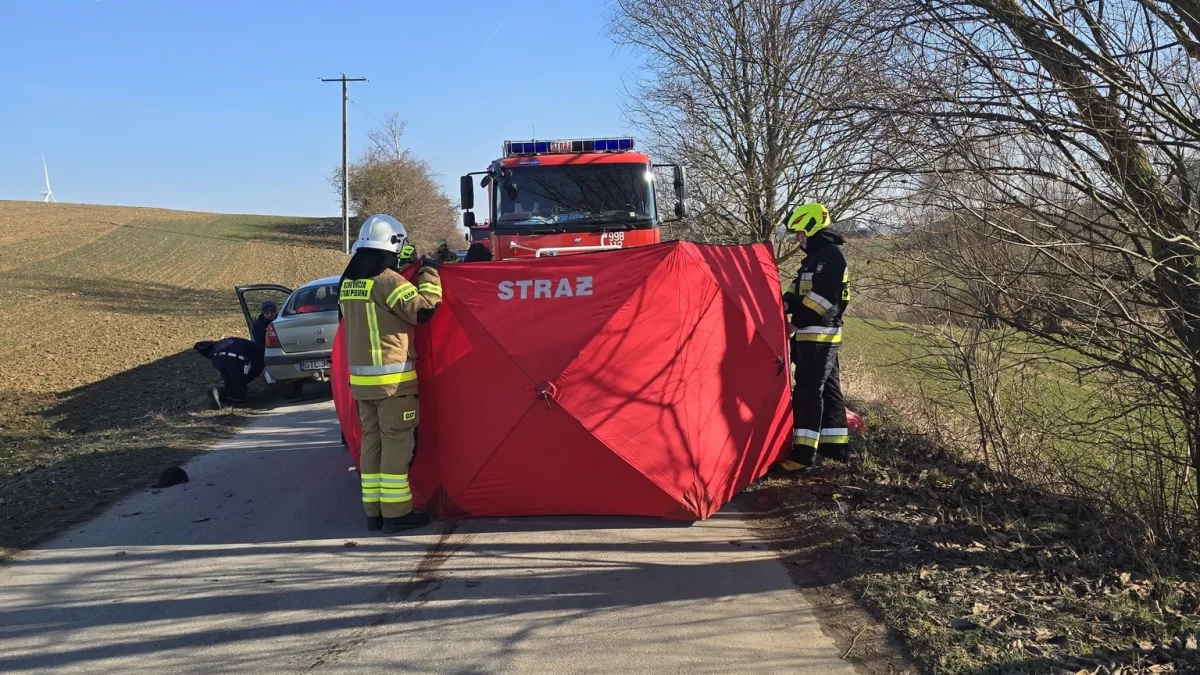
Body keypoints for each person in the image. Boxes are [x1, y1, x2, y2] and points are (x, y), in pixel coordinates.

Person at [339, 214, 443, 534]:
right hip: (393, 383)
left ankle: (375, 512)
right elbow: (424, 309)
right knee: (397, 444)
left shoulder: (348, 283)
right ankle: (397, 514)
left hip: (362, 384)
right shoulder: (388, 281)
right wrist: (429, 272)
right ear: (392, 246)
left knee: (371, 444)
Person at [778, 202, 851, 474]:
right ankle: (834, 447)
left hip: (819, 334)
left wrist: (794, 324)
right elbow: (796, 293)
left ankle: (803, 456)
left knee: (808, 392)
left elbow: (822, 299)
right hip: (814, 334)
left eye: (799, 233)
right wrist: (777, 306)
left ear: (811, 229)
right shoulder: (813, 259)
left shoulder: (830, 258)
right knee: (830, 390)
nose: (797, 239)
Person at [193, 336, 265, 410]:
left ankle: (219, 393)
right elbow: (258, 367)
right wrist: (245, 380)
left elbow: (199, 346)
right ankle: (222, 394)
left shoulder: (222, 343)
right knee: (239, 396)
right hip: (234, 359)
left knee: (230, 383)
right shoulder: (258, 350)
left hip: (217, 360)